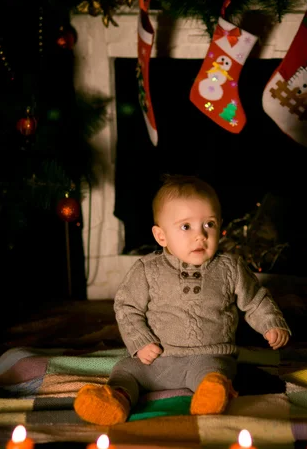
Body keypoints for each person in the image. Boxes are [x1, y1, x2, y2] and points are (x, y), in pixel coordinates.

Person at [74, 174, 291, 425]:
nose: (200, 236)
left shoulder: (230, 268)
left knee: (214, 375)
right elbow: (127, 306)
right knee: (126, 370)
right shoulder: (147, 269)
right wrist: (141, 342)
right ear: (161, 236)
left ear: (220, 224)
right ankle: (117, 399)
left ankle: (211, 396)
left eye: (208, 224)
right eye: (186, 227)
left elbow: (255, 299)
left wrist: (271, 323)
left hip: (209, 357)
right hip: (156, 360)